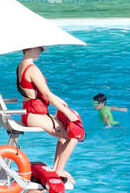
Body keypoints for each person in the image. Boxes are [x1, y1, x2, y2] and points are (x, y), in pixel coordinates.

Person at [16, 46, 84, 176]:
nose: (41, 52)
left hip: (28, 112)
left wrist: (60, 101)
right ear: (31, 48)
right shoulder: (32, 70)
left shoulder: (21, 65)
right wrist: (66, 112)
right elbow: (46, 95)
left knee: (64, 134)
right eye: (40, 49)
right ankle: (59, 171)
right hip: (34, 115)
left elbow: (40, 93)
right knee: (74, 136)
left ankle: (56, 168)